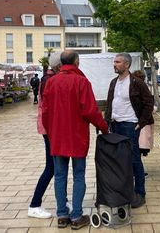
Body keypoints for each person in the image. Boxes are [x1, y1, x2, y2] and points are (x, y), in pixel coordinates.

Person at [42, 50, 108, 230]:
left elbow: (45, 112)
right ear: (77, 62)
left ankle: (62, 214)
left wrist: (51, 132)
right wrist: (104, 127)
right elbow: (90, 111)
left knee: (59, 176)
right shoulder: (81, 82)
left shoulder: (51, 83)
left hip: (57, 137)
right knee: (79, 175)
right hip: (77, 136)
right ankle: (77, 215)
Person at [105, 54, 154, 208]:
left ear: (126, 64)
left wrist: (141, 122)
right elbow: (110, 103)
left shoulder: (136, 83)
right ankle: (124, 191)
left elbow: (149, 102)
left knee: (134, 160)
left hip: (130, 126)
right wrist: (107, 122)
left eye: (117, 62)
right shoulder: (113, 82)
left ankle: (140, 193)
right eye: (114, 62)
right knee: (120, 161)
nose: (114, 64)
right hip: (115, 125)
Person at [28, 52, 69, 219]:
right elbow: (49, 108)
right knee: (52, 167)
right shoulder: (49, 81)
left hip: (50, 129)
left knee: (58, 167)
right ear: (60, 66)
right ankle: (35, 204)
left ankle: (63, 200)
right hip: (50, 130)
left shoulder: (48, 78)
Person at [133, 70, 155, 157]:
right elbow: (150, 105)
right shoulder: (145, 88)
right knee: (142, 144)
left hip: (140, 121)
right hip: (146, 121)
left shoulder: (133, 89)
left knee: (137, 145)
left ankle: (138, 168)